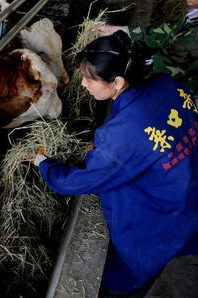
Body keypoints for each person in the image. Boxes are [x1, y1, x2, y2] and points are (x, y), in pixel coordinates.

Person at [33, 31, 198, 297]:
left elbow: (78, 181)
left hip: (163, 220)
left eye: (90, 78)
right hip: (189, 193)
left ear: (118, 82)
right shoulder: (167, 83)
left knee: (125, 277)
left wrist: (44, 164)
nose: (84, 84)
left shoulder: (119, 135)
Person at [98, 0, 198, 95]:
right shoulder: (194, 14)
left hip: (187, 103)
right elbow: (166, 31)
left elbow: (166, 66)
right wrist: (121, 30)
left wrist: (114, 69)